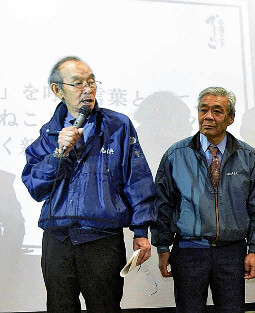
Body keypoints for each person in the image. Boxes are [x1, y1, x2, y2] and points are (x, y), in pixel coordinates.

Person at [22, 56, 156, 313]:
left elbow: (137, 179)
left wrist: (141, 231)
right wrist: (58, 153)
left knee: (105, 307)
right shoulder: (49, 135)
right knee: (60, 307)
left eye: (92, 82)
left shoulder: (118, 126)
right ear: (57, 90)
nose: (88, 89)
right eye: (78, 83)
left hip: (102, 239)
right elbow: (35, 187)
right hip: (58, 239)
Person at [152, 86, 255, 313]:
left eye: (217, 111)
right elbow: (163, 204)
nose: (208, 117)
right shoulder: (177, 154)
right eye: (203, 110)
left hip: (231, 253)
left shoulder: (247, 155)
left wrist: (254, 249)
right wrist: (162, 246)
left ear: (231, 118)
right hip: (188, 251)